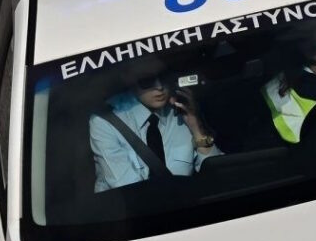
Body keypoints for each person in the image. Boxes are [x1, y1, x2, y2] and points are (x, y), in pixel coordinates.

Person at [89, 72, 221, 192]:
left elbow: (216, 173)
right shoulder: (105, 120)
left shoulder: (182, 110)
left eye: (164, 77)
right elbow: (129, 190)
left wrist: (196, 127)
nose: (159, 87)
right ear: (130, 81)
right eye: (147, 80)